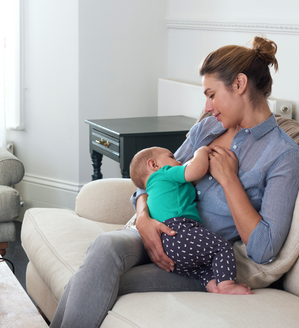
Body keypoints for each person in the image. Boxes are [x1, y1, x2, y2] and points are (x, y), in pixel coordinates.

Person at [51, 36, 299, 328]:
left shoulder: (283, 154)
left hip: (194, 258)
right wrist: (143, 218)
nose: (207, 107)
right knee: (104, 247)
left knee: (96, 279)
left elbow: (264, 248)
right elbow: (152, 179)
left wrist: (229, 181)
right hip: (152, 228)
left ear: (240, 84)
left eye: (211, 94)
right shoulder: (207, 128)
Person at [129, 146, 252, 294]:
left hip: (165, 246)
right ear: (154, 165)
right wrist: (201, 151)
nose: (179, 161)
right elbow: (197, 169)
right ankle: (227, 285)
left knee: (200, 269)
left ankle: (212, 284)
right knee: (221, 247)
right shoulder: (165, 173)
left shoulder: (151, 189)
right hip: (179, 231)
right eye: (171, 157)